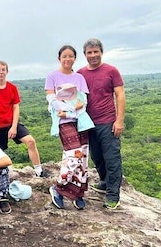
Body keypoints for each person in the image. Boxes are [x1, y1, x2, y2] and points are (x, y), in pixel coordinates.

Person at [77, 38, 126, 210]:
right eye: (89, 52)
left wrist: (119, 120)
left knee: (112, 159)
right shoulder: (81, 73)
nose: (93, 55)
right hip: (88, 123)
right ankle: (105, 182)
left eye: (96, 51)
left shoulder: (111, 71)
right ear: (85, 55)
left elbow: (120, 95)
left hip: (108, 121)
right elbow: (75, 97)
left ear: (101, 52)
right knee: (96, 156)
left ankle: (113, 196)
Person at [45, 45, 92, 210]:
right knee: (74, 155)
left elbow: (83, 102)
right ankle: (58, 188)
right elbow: (52, 101)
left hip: (81, 121)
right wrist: (70, 110)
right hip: (64, 122)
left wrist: (68, 111)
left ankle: (77, 193)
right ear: (59, 58)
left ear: (74, 58)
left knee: (83, 158)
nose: (67, 59)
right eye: (64, 56)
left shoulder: (79, 78)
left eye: (71, 56)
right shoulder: (52, 77)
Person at [0, 60, 47, 177]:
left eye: (3, 70)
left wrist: (14, 127)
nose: (1, 72)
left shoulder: (12, 88)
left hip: (11, 124)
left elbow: (16, 108)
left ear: (7, 71)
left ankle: (38, 170)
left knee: (30, 141)